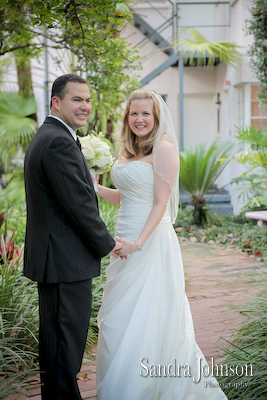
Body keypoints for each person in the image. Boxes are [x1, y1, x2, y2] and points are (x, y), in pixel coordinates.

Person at [96, 89, 227, 399]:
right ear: (127, 118)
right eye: (134, 113)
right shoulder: (127, 152)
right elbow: (126, 196)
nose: (140, 119)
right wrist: (96, 188)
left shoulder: (164, 149)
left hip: (150, 243)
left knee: (150, 315)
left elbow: (160, 203)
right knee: (121, 316)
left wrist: (138, 243)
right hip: (123, 241)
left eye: (146, 113)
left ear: (155, 117)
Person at [23, 74, 123, 400]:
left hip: (57, 261)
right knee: (64, 350)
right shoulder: (58, 141)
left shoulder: (52, 136)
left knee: (58, 350)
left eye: (88, 100)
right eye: (77, 99)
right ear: (56, 102)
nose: (85, 107)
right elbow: (78, 205)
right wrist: (108, 245)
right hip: (66, 262)